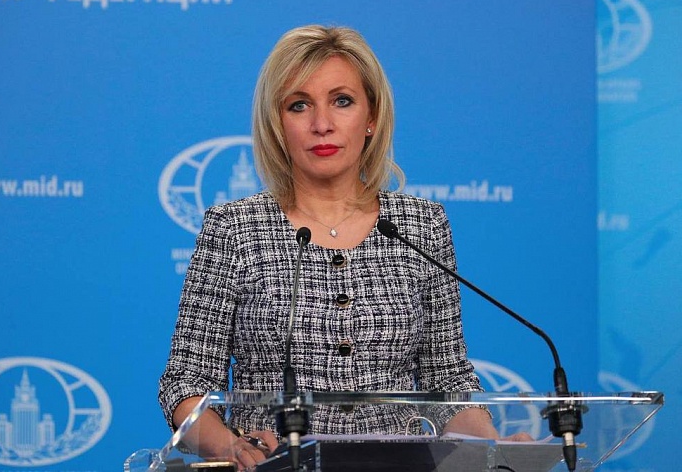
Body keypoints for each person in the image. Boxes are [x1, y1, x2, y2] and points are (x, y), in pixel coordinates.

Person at [158, 24, 520, 470]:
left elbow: (448, 382)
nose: (322, 124)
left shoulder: (421, 225)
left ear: (371, 117)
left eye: (342, 101)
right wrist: (228, 447)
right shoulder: (235, 228)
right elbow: (186, 383)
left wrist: (492, 448)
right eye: (299, 105)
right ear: (277, 124)